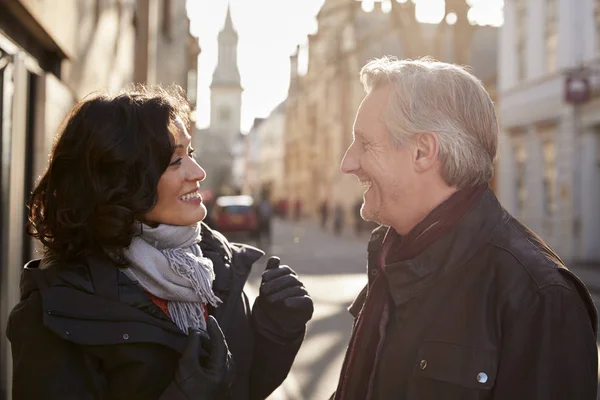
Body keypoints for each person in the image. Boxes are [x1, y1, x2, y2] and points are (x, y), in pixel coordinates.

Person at [6, 85, 313, 400]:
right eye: (174, 161)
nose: (198, 172)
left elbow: (246, 387)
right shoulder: (56, 307)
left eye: (189, 153)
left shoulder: (211, 266)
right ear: (120, 179)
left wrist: (276, 329)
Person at [333, 56, 598, 399]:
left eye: (365, 144)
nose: (347, 163)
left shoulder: (538, 296)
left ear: (422, 152)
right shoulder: (392, 259)